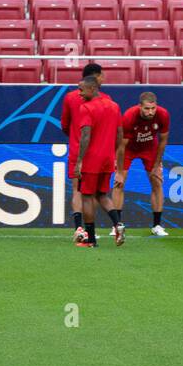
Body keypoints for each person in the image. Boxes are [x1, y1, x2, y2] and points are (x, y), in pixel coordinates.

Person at [73, 75, 125, 247]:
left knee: (87, 197)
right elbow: (119, 135)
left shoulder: (86, 108)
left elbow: (85, 136)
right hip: (108, 158)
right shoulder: (114, 106)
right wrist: (114, 154)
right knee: (102, 195)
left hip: (91, 159)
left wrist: (80, 161)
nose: (79, 93)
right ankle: (118, 224)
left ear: (92, 89)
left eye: (81, 89)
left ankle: (91, 240)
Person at [113, 91, 170, 236]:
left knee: (157, 182)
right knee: (119, 183)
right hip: (129, 149)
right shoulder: (129, 116)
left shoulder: (163, 114)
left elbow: (163, 141)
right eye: (146, 109)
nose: (150, 112)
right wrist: (119, 171)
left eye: (153, 108)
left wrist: (157, 166)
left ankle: (157, 225)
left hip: (150, 149)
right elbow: (121, 146)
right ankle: (116, 225)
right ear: (140, 107)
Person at [61, 62, 103, 243]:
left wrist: (74, 136)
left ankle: (79, 228)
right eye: (101, 75)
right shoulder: (104, 99)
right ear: (94, 78)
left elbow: (64, 124)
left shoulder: (70, 97)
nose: (103, 79)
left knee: (77, 189)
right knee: (90, 192)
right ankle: (89, 229)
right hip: (94, 152)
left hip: (76, 148)